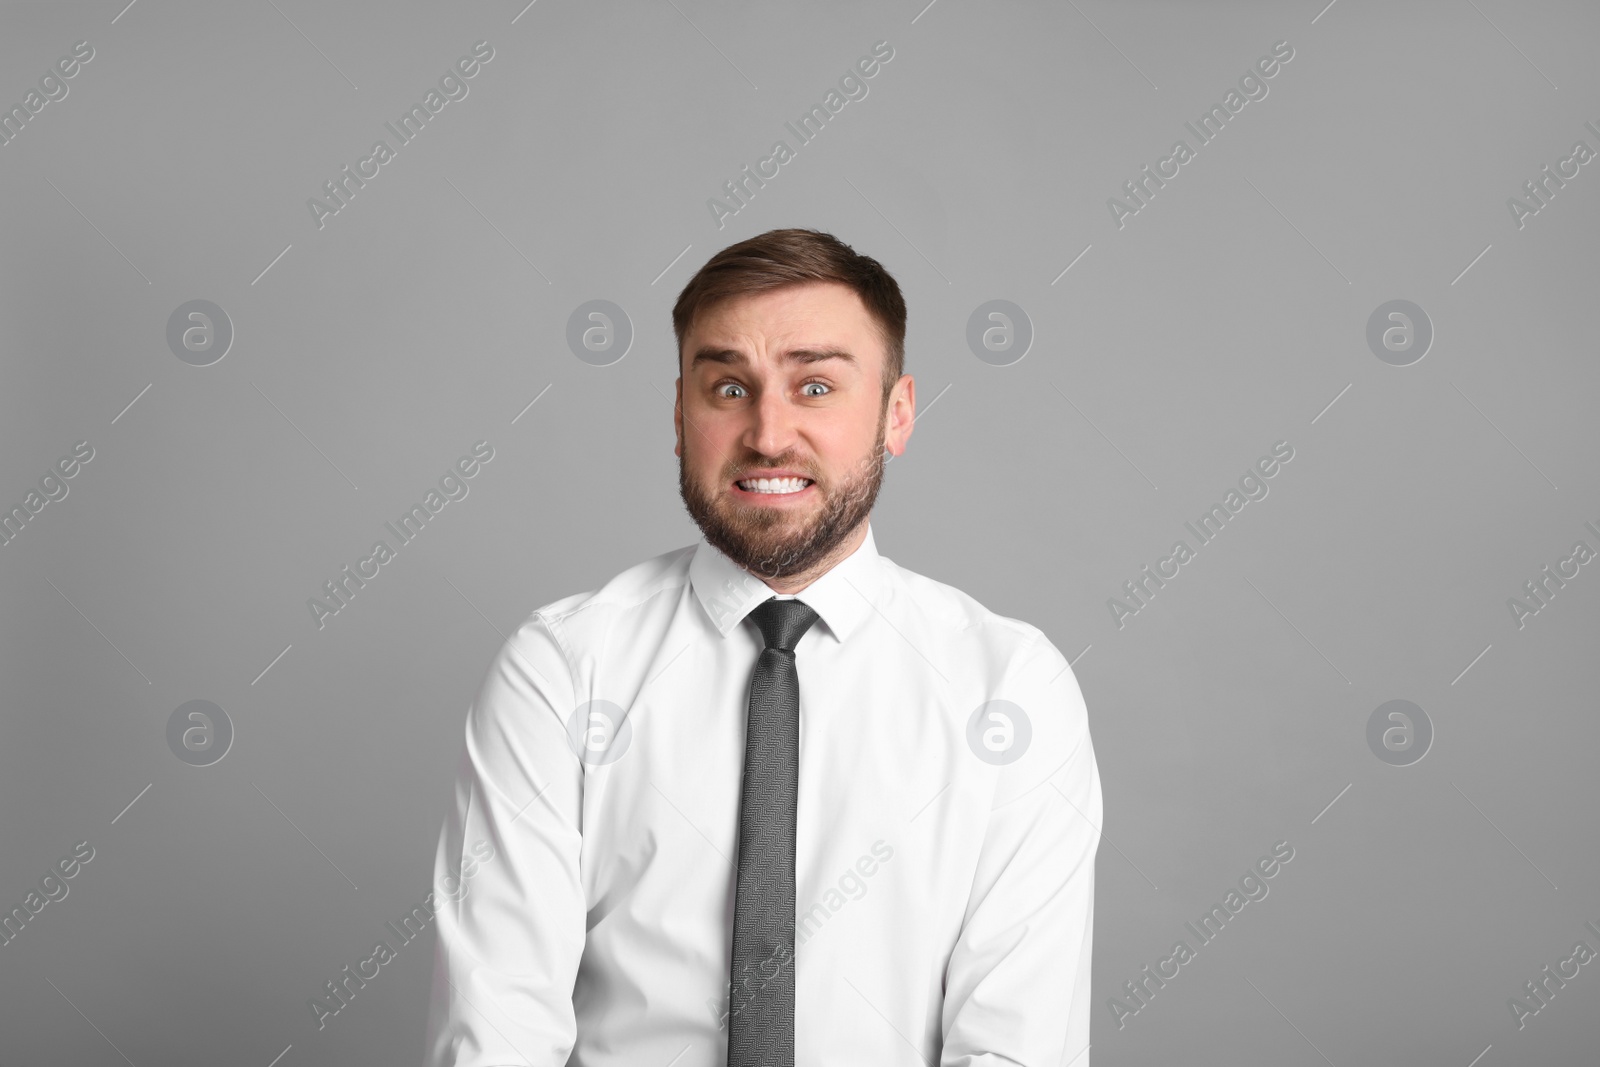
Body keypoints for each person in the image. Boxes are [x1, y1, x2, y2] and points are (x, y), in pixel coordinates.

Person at [421, 228, 1101, 1066]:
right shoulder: (562, 670)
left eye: (815, 385)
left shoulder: (1012, 693)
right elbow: (496, 1033)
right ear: (678, 415)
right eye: (729, 387)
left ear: (897, 412)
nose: (769, 434)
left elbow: (1016, 1046)